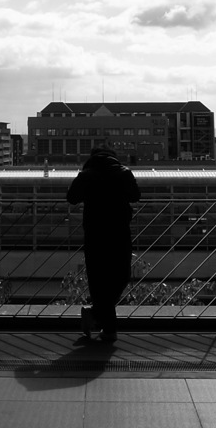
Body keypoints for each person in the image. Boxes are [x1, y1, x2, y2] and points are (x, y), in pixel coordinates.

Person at [66, 146, 141, 343]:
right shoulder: (124, 173)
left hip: (95, 233)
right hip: (119, 231)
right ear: (113, 159)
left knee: (98, 281)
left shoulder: (87, 175)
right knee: (121, 276)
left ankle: (101, 320)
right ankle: (106, 327)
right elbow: (135, 196)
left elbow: (71, 198)